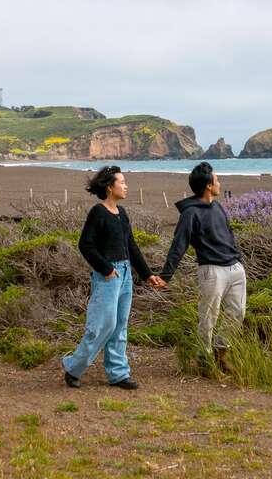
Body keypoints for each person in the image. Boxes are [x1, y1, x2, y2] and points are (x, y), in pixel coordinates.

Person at [62, 166, 165, 389]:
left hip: (126, 274)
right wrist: (107, 269)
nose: (126, 185)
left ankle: (118, 374)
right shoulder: (98, 213)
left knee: (120, 326)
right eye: (122, 182)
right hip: (108, 276)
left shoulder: (123, 213)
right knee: (101, 326)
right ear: (110, 187)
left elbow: (132, 246)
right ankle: (73, 367)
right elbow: (85, 245)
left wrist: (147, 275)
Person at [160, 162, 246, 373]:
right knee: (208, 317)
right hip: (211, 271)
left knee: (238, 313)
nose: (219, 183)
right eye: (216, 180)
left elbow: (229, 235)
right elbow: (178, 245)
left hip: (234, 268)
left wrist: (239, 260)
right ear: (208, 185)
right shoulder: (190, 214)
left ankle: (221, 353)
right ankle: (204, 358)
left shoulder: (218, 207)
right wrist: (165, 276)